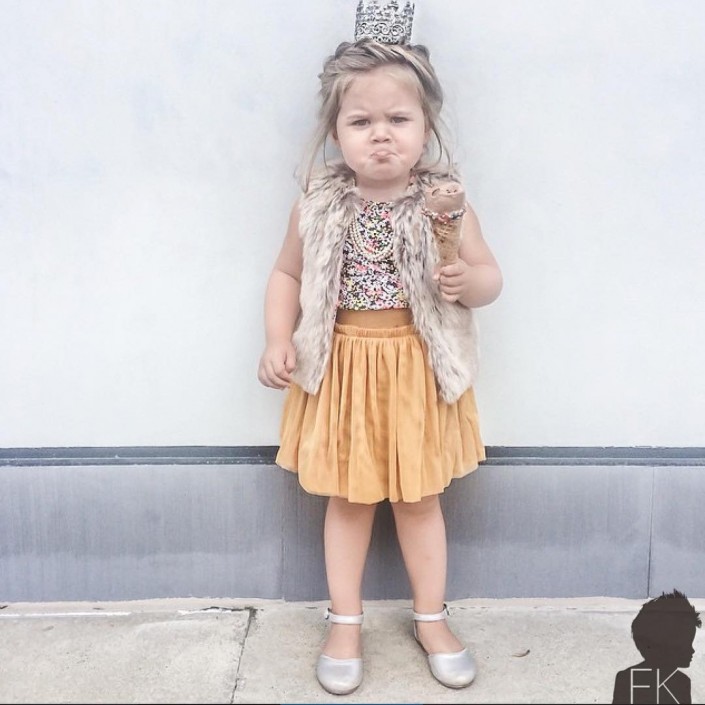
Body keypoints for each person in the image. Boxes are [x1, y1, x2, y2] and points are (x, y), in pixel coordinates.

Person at [257, 1, 502, 695]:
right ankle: (344, 620)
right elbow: (286, 274)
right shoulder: (317, 205)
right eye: (361, 122)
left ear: (426, 127)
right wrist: (277, 337)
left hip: (416, 369)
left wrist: (468, 281)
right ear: (335, 133)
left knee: (420, 501)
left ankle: (431, 617)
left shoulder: (445, 205)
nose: (381, 136)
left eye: (398, 119)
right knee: (349, 500)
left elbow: (489, 276)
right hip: (342, 370)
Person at [612, 589, 701, 704]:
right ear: (665, 643)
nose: (692, 650)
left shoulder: (682, 682)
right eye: (686, 643)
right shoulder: (626, 678)